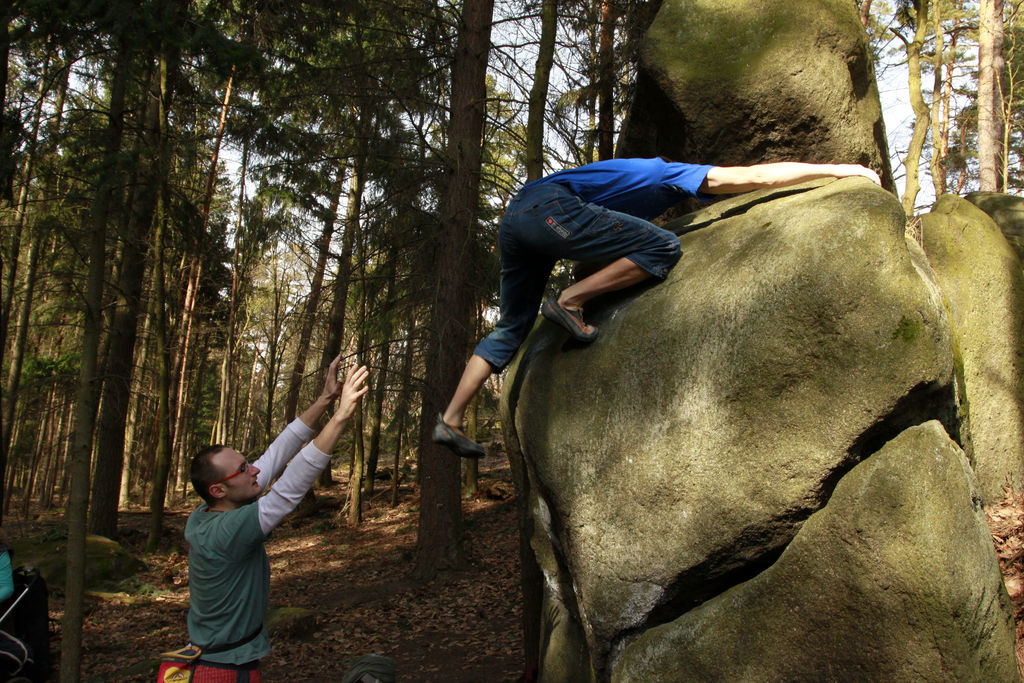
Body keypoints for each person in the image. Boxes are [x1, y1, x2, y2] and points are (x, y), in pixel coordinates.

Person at [432, 157, 881, 457]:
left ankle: (450, 420)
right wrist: (838, 170)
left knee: (510, 328)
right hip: (549, 210)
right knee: (662, 245)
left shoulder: (618, 174)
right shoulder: (668, 173)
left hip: (516, 219)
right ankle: (571, 302)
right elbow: (756, 176)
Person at [185, 354, 369, 681]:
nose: (254, 469)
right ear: (217, 490)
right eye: (243, 469)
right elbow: (287, 491)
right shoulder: (226, 532)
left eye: (247, 462)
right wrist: (340, 416)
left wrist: (326, 398)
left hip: (230, 664)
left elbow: (278, 452)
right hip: (221, 673)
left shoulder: (210, 512)